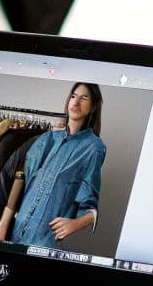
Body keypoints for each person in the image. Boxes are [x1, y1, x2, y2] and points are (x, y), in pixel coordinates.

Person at [7, 83, 107, 249]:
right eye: (74, 96)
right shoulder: (49, 138)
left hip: (42, 241)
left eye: (84, 98)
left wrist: (74, 223)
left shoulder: (93, 148)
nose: (76, 102)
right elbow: (22, 181)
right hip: (14, 231)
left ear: (94, 105)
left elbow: (90, 201)